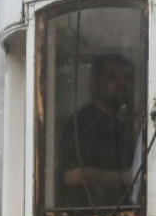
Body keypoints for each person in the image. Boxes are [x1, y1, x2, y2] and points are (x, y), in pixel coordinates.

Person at [57, 53, 136, 208]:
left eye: (126, 78)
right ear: (93, 83)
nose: (121, 83)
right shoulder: (80, 124)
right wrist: (127, 178)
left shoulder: (123, 125)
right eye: (113, 76)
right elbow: (72, 176)